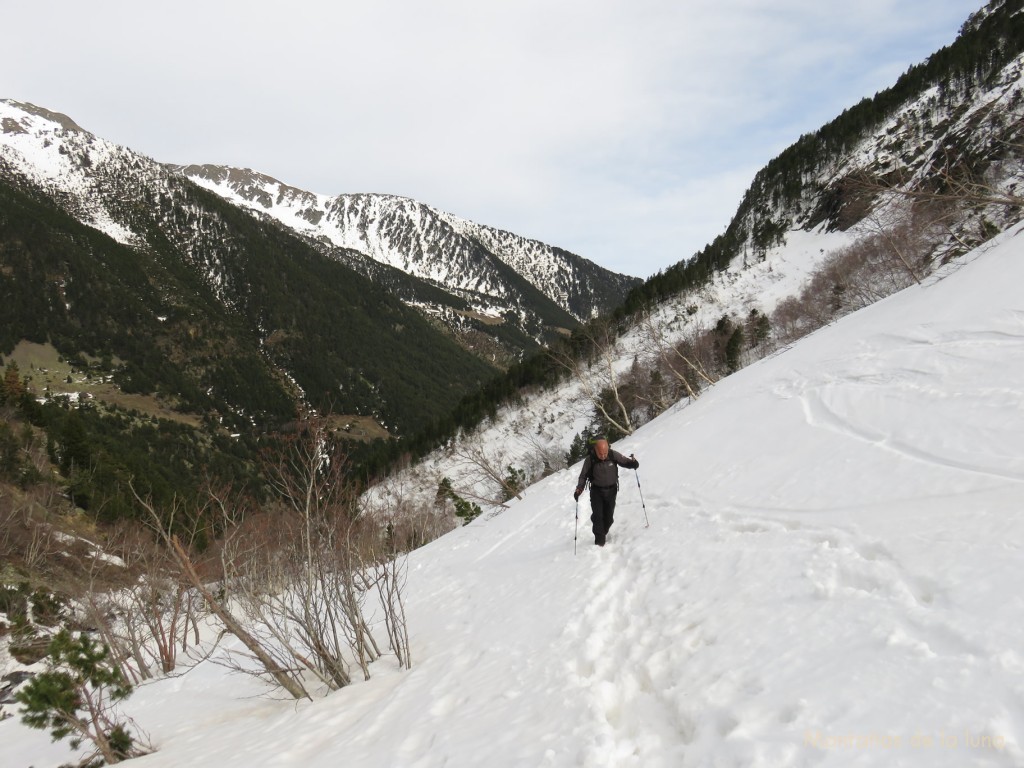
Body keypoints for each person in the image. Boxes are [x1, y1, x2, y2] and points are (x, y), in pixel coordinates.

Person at [573, 438, 639, 546]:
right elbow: (583, 476)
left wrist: (633, 463)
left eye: (605, 453)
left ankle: (601, 529)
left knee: (609, 518)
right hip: (596, 492)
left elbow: (625, 461)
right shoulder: (590, 460)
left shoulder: (613, 455)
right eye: (600, 453)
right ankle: (599, 542)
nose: (603, 455)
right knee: (599, 517)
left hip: (611, 491)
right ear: (595, 450)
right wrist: (579, 489)